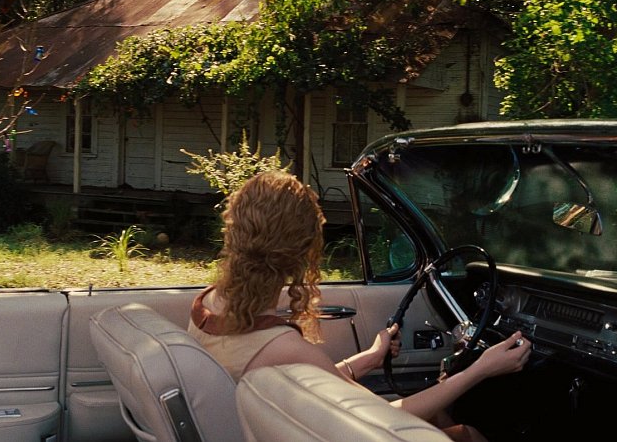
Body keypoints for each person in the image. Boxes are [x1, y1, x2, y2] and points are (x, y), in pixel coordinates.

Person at [187, 170, 532, 442]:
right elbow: (385, 418)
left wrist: (369, 357)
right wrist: (480, 369)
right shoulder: (281, 345)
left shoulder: (209, 302)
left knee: (441, 416)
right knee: (466, 433)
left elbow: (310, 385)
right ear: (302, 251)